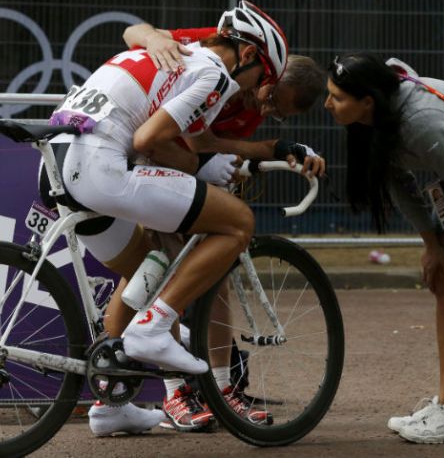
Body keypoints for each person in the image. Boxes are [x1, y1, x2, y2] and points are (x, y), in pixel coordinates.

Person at [42, 0, 292, 437]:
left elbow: (200, 143)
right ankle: (154, 329)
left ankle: (111, 402)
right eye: (263, 78)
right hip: (100, 166)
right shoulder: (214, 73)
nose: (256, 90)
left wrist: (260, 152)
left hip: (59, 163)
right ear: (249, 55)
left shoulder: (183, 56)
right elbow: (149, 141)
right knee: (237, 222)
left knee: (151, 267)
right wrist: (203, 168)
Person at [86, 22, 329, 435]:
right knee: (164, 271)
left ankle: (216, 387)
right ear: (266, 70)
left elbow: (213, 143)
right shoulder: (220, 48)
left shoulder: (252, 90)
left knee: (208, 276)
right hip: (150, 160)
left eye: (278, 115)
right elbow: (133, 34)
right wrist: (156, 38)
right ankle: (174, 391)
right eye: (271, 99)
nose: (265, 111)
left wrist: (268, 152)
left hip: (176, 164)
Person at [324, 53, 444, 444]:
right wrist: (432, 245)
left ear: (366, 101)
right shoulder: (377, 117)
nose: (327, 104)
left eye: (337, 97)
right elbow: (399, 183)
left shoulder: (420, 124)